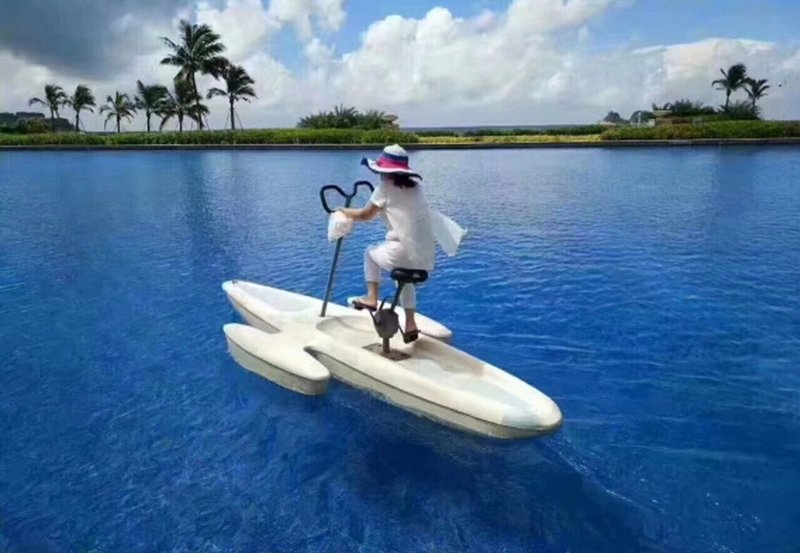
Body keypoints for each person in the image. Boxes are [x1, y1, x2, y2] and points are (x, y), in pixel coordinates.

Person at [337, 144, 435, 343]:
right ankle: (410, 324)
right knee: (405, 280)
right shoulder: (416, 188)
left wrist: (342, 211)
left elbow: (365, 215)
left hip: (400, 251)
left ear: (385, 172)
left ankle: (371, 298)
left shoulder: (385, 188)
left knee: (369, 252)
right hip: (422, 255)